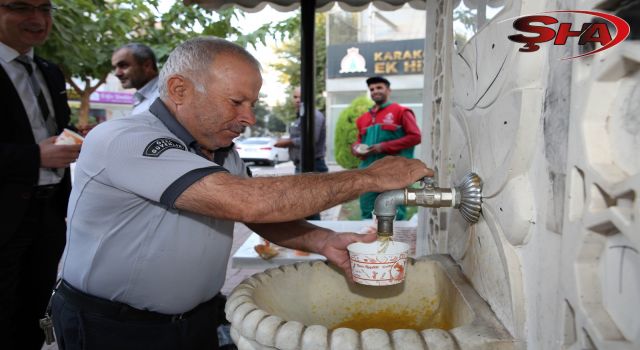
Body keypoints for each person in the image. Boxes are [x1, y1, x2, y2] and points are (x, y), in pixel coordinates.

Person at [51, 37, 432, 350]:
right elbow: (248, 200)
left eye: (252, 104)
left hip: (193, 321)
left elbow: (257, 215)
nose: (249, 118)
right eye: (236, 102)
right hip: (113, 330)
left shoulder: (219, 151)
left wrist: (323, 239)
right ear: (179, 89)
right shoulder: (124, 139)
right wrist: (369, 177)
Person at [0, 1, 81, 349]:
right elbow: (35, 146)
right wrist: (34, 156)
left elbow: (52, 130)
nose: (36, 19)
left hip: (48, 213)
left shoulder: (48, 70)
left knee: (34, 314)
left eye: (44, 8)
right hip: (3, 216)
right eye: (19, 7)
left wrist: (80, 136)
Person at [351, 76, 422, 220]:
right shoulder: (363, 118)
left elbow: (415, 137)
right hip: (368, 172)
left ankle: (395, 242)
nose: (375, 91)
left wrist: (383, 147)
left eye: (379, 88)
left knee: (393, 212)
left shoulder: (401, 112)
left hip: (394, 172)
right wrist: (356, 149)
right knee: (367, 211)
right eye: (372, 89)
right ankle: (370, 241)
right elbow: (359, 141)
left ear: (388, 90)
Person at [274, 86, 327, 220]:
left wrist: (288, 142)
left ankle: (315, 238)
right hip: (301, 165)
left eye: (301, 98)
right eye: (295, 97)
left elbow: (311, 139)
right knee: (304, 207)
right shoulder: (301, 117)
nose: (298, 100)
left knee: (309, 207)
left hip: (312, 165)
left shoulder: (314, 116)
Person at [111, 42, 159, 114]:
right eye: (115, 68)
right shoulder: (142, 98)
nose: (117, 73)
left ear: (147, 65)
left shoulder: (166, 96)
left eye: (123, 65)